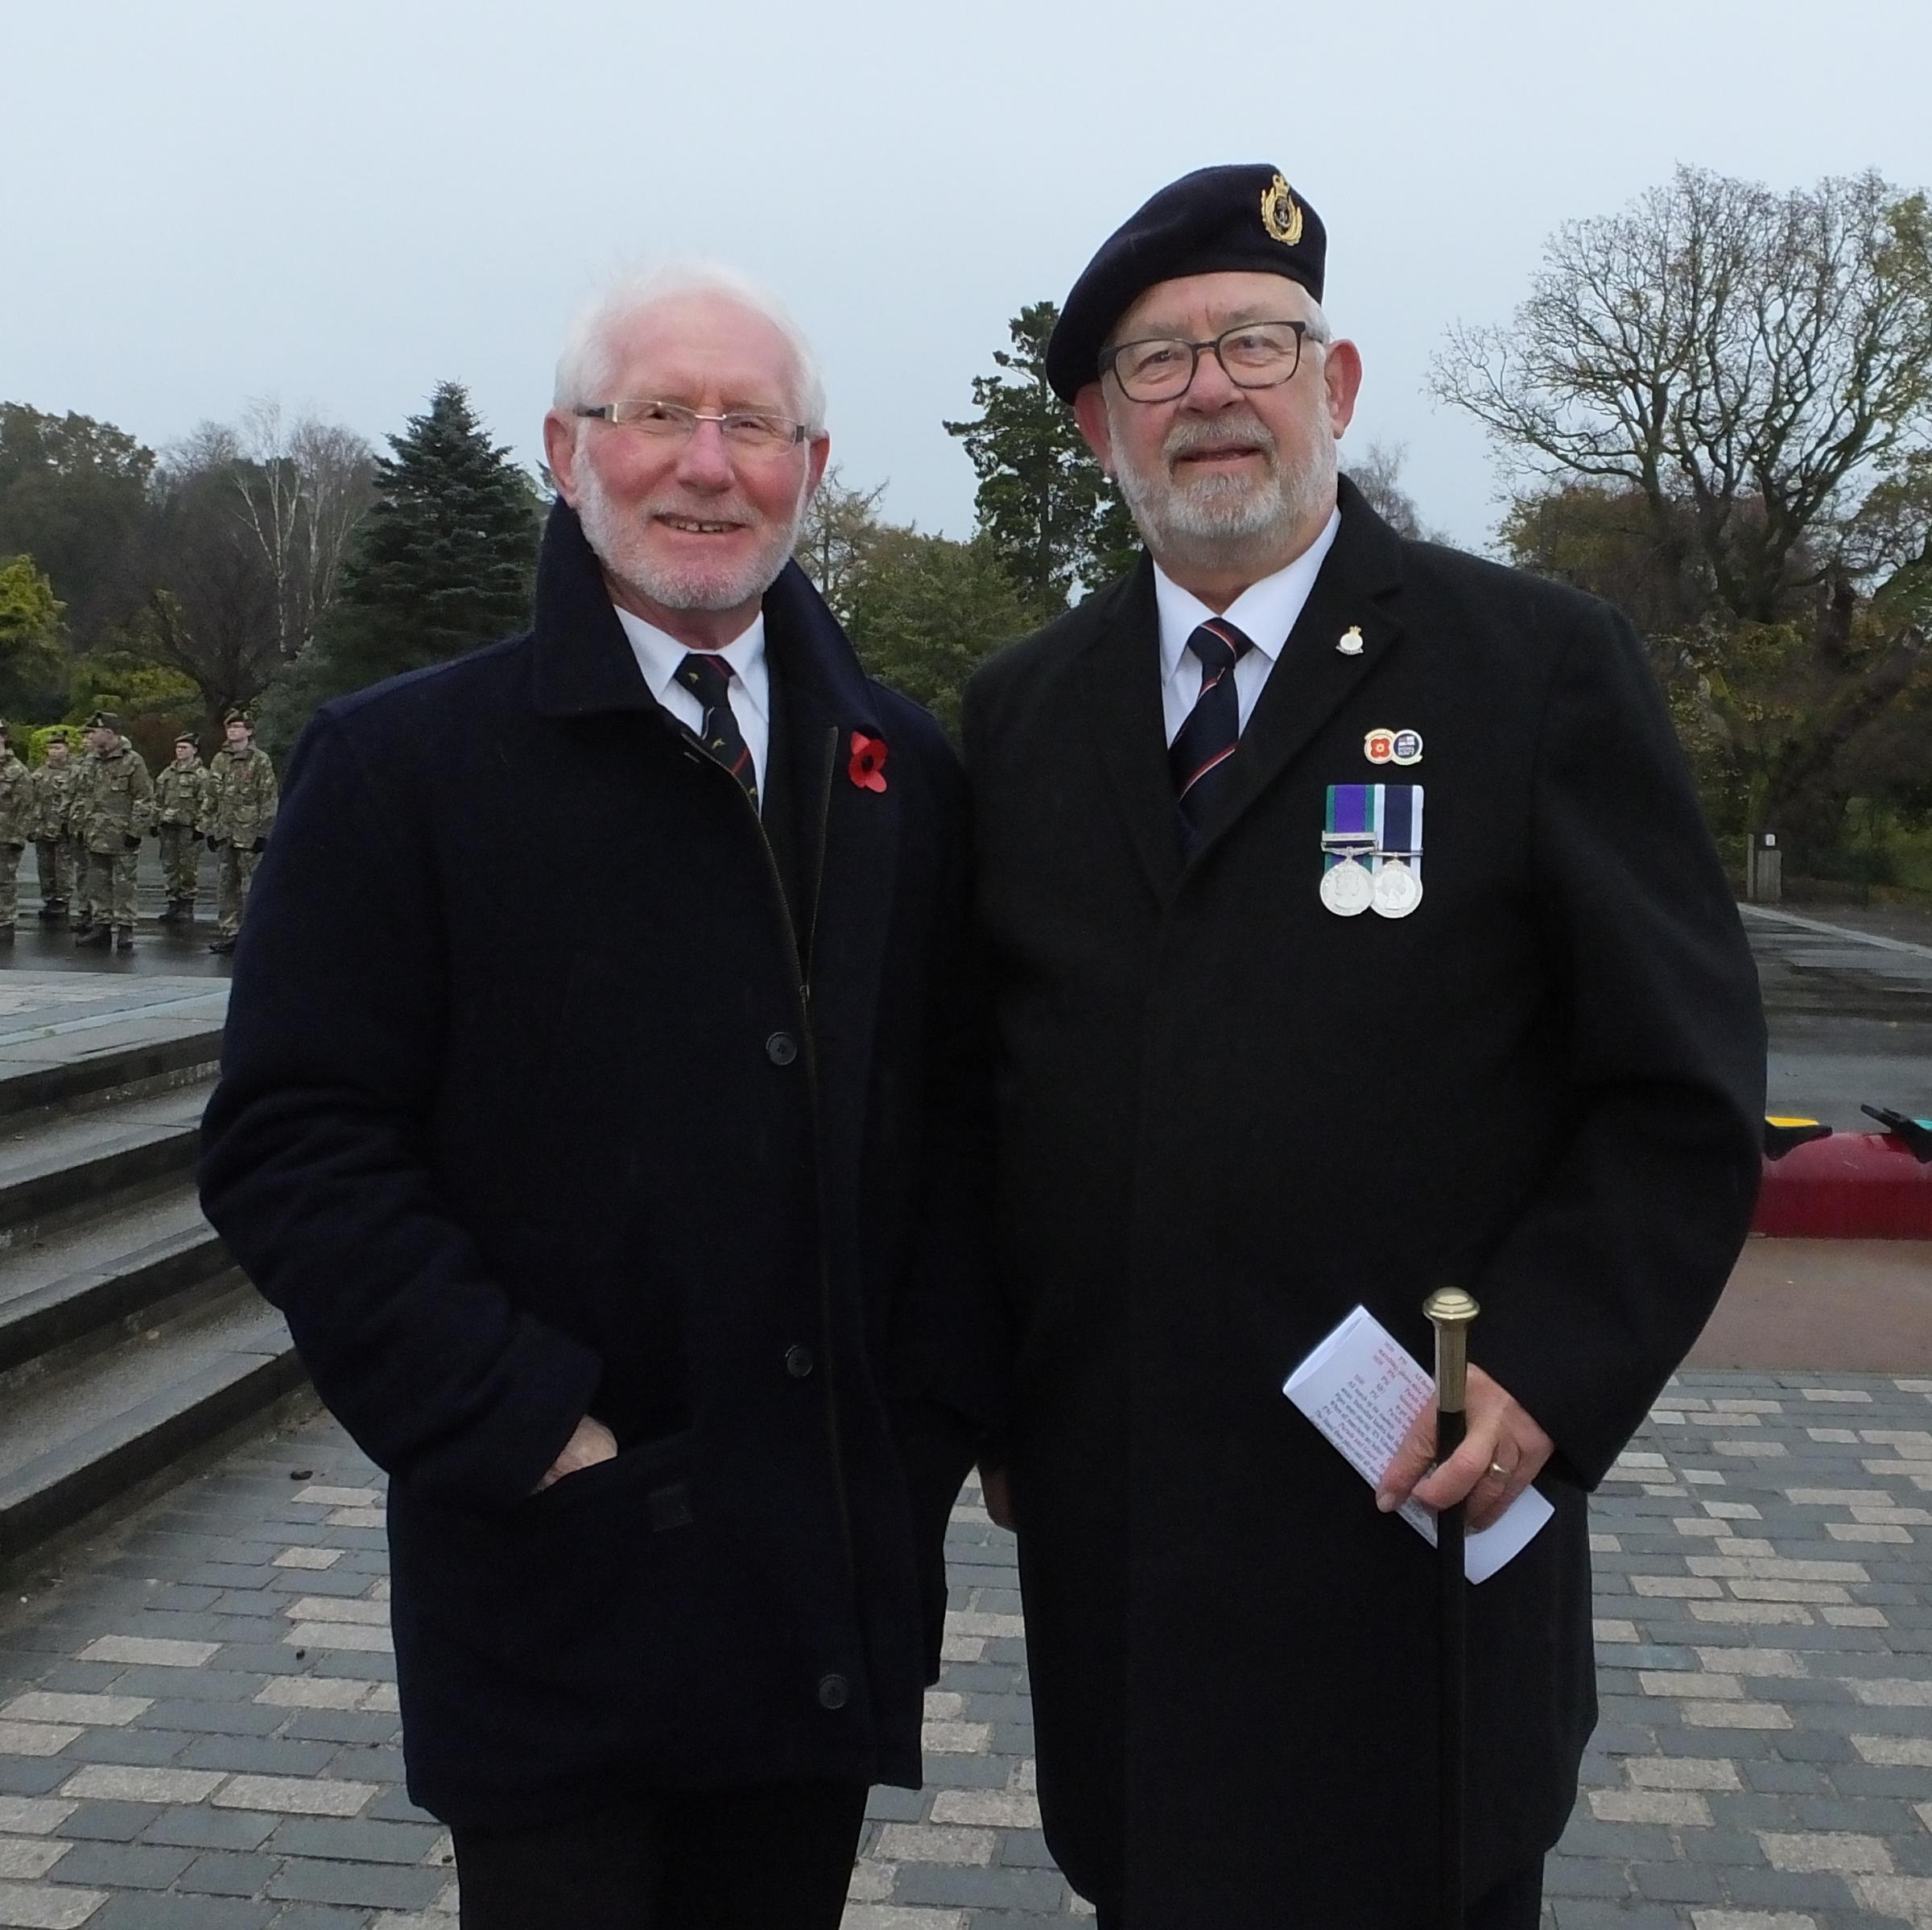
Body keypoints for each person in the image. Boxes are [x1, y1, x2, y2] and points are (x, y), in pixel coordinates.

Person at [960, 165, 1766, 1930]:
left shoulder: (1533, 668)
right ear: (1103, 422)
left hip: (1413, 1524)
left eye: (1257, 341)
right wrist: (989, 1386)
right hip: (1132, 1559)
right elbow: (981, 1092)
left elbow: (1681, 1093)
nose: (1212, 392)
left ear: (1333, 387)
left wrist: (1546, 1374)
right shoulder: (1021, 716)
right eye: (1158, 364)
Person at [197, 264, 997, 1930]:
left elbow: (960, 1126)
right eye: (657, 415)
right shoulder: (406, 766)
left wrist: (924, 1423)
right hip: (560, 1576)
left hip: (812, 1586)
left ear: (815, 469)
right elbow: (294, 1142)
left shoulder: (900, 768)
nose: (707, 463)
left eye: (752, 424)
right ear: (567, 450)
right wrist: (519, 1420)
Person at [71, 712, 152, 953]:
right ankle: (102, 926)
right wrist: (78, 824)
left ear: (108, 733)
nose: (91, 737)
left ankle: (126, 928)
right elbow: (82, 795)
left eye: (94, 732)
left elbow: (144, 798)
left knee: (125, 883)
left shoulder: (133, 761)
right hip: (95, 833)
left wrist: (136, 830)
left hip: (122, 834)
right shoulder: (90, 761)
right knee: (98, 882)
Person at [202, 709, 278, 954]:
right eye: (229, 728)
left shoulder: (259, 760)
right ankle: (230, 932)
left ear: (248, 731)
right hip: (226, 831)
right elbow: (211, 796)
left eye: (237, 727)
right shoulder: (220, 760)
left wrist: (264, 832)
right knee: (226, 885)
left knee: (251, 885)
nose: (232, 731)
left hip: (249, 832)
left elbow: (268, 798)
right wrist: (209, 828)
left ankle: (253, 932)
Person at [154, 734, 208, 924]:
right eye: (178, 747)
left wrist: (201, 827)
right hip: (168, 826)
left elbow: (206, 803)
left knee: (188, 868)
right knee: (170, 867)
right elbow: (158, 799)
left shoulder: (200, 774)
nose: (180, 751)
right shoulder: (168, 773)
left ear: (194, 750)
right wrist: (155, 822)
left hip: (188, 828)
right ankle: (173, 903)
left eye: (184, 747)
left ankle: (186, 905)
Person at [30, 734, 81, 923]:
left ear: (67, 749)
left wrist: (73, 823)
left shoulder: (75, 772)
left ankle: (62, 899)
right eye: (51, 748)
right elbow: (31, 800)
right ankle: (49, 897)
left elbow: (79, 799)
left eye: (58, 748)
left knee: (63, 866)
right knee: (45, 866)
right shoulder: (40, 773)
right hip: (42, 827)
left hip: (63, 827)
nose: (54, 752)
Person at [0, 725, 33, 939]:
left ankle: (5, 922)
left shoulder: (16, 770)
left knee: (4, 881)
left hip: (5, 835)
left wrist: (18, 836)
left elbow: (26, 806)